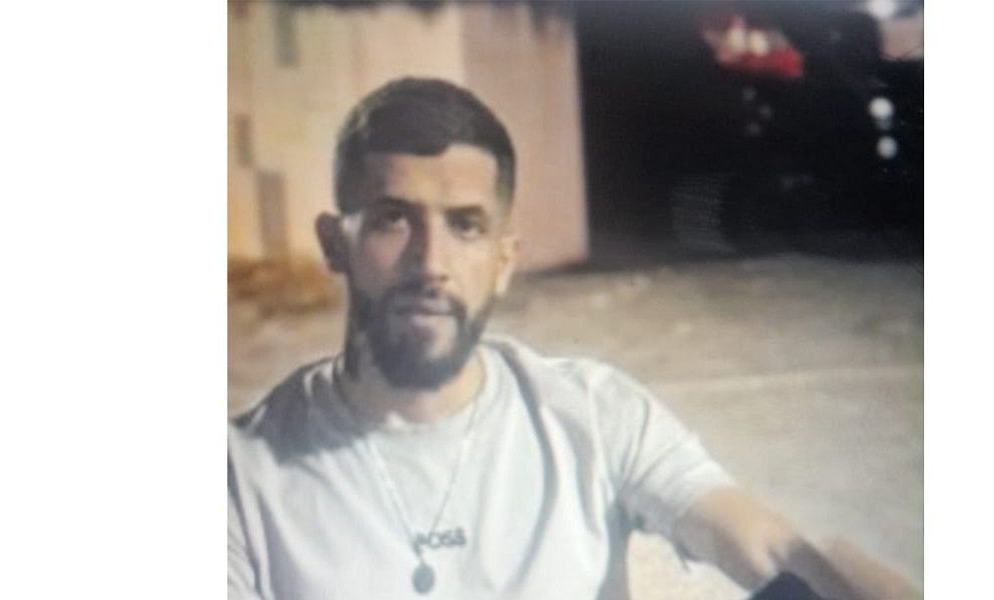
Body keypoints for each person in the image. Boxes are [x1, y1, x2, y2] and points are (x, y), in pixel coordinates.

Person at [228, 78, 917, 600]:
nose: (430, 261)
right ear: (334, 243)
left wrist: (835, 580)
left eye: (466, 225)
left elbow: (765, 549)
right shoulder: (241, 477)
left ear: (504, 259)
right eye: (392, 218)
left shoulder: (591, 413)